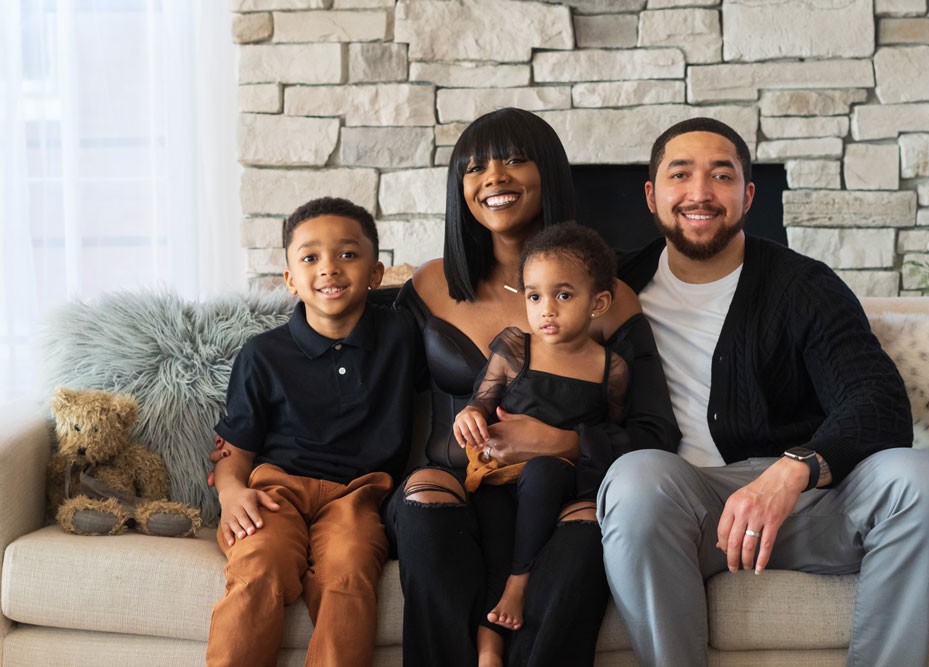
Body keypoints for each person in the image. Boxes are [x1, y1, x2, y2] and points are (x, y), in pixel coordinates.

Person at [597, 117, 929, 667]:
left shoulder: (804, 285)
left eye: (721, 176)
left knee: (923, 480)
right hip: (686, 510)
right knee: (633, 480)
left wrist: (793, 471)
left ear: (747, 195)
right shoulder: (613, 291)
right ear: (652, 195)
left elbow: (878, 403)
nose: (701, 193)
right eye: (681, 175)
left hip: (810, 502)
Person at [383, 107, 679, 667]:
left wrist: (561, 442)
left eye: (515, 160)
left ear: (550, 175)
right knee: (424, 506)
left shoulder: (608, 299)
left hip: (563, 489)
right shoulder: (428, 285)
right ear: (460, 187)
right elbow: (371, 383)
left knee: (588, 530)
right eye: (475, 168)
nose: (494, 177)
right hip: (454, 480)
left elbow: (654, 432)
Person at [206, 197, 424, 667]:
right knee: (260, 563)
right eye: (310, 258)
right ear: (290, 280)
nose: (329, 268)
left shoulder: (402, 337)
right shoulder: (262, 355)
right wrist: (230, 496)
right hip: (275, 492)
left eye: (347, 254)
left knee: (348, 571)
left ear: (376, 273)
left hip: (357, 496)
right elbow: (234, 449)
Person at [453, 223, 629, 658]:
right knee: (495, 540)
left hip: (558, 484)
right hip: (498, 477)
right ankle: (489, 645)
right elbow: (481, 399)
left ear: (598, 302)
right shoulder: (515, 348)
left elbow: (612, 436)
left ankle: (520, 585)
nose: (546, 309)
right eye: (534, 296)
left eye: (563, 296)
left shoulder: (611, 369)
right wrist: (470, 416)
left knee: (546, 472)